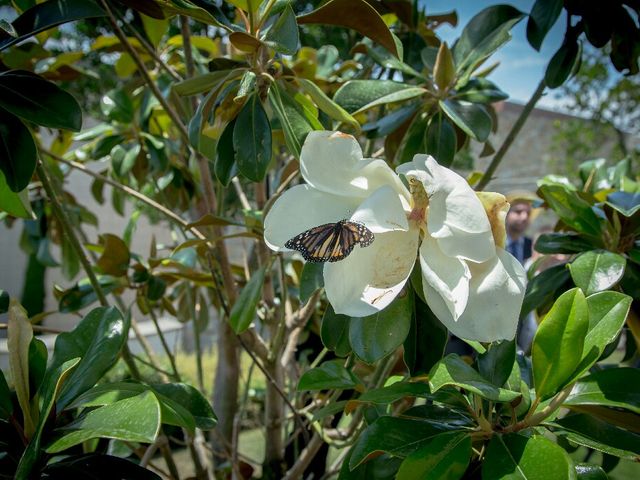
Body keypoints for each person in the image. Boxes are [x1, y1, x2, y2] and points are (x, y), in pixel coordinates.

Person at [505, 191, 537, 265]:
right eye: (518, 212)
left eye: (528, 213)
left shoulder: (532, 246)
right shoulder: (495, 243)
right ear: (506, 214)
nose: (524, 217)